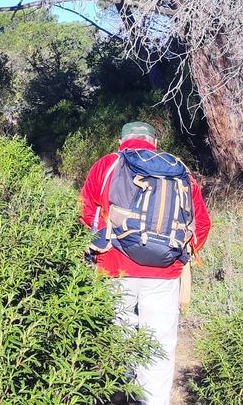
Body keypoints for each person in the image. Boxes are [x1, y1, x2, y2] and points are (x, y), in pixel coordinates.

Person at [79, 121, 211, 405]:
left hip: (114, 270)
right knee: (160, 346)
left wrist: (98, 246)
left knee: (119, 339)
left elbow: (86, 213)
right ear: (154, 143)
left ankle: (121, 395)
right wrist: (179, 254)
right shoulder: (179, 171)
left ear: (120, 141)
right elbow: (201, 223)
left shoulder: (107, 165)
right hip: (165, 275)